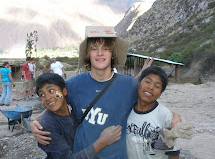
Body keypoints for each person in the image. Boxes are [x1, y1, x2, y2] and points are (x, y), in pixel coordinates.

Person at [31, 26, 181, 158]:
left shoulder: (128, 85)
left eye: (105, 49)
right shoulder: (73, 84)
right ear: (88, 54)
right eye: (94, 49)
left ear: (112, 53)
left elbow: (149, 102)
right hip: (82, 154)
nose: (100, 53)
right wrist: (35, 122)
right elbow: (55, 102)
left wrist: (174, 116)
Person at [36, 73, 122, 159]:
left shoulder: (75, 106)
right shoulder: (47, 126)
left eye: (51, 91)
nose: (47, 97)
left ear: (64, 91)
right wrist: (102, 142)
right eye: (42, 95)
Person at [126, 66, 192, 159]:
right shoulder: (126, 109)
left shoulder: (165, 116)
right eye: (147, 82)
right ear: (139, 83)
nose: (150, 87)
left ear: (160, 94)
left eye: (157, 86)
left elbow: (173, 154)